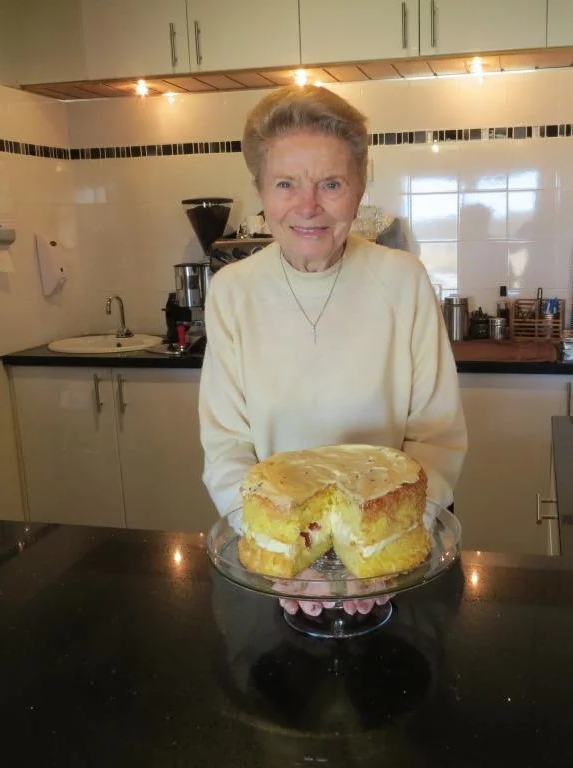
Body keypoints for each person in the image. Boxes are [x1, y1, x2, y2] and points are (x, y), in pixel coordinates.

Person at [199, 84, 467, 616]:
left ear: (360, 188)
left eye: (331, 183)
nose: (308, 206)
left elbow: (436, 439)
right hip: (278, 582)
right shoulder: (232, 291)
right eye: (285, 183)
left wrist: (385, 547)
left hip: (398, 567)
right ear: (260, 191)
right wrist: (281, 553)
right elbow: (226, 447)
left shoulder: (404, 281)